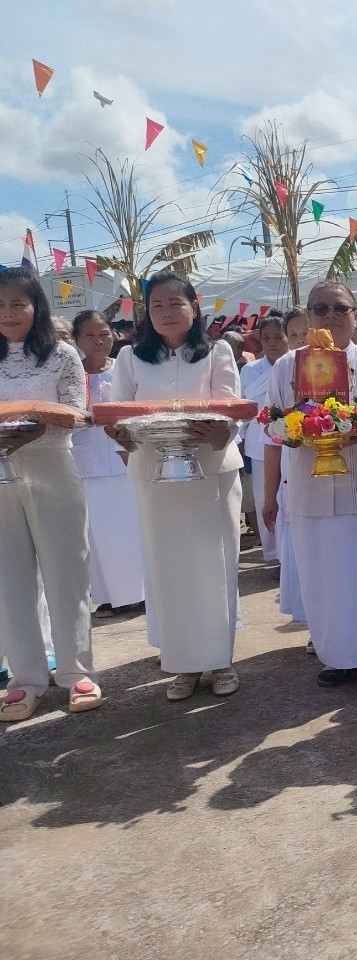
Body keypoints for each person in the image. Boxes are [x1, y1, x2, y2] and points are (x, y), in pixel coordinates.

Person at [262, 281, 357, 688]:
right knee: (323, 578)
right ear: (307, 316)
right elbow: (271, 423)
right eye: (320, 308)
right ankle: (336, 657)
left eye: (339, 309)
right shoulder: (286, 366)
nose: (330, 316)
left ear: (355, 315)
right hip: (309, 491)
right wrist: (296, 429)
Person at [106, 271, 243, 701]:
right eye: (157, 305)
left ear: (194, 306)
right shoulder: (130, 357)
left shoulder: (218, 351)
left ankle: (220, 659)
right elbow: (116, 415)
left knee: (215, 564)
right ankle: (182, 664)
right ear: (146, 311)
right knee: (168, 569)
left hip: (212, 472)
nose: (167, 312)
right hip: (155, 475)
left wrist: (218, 432)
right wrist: (126, 435)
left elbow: (231, 409)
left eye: (175, 303)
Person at [0, 269, 101, 721]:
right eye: (0, 306)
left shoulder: (61, 355)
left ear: (37, 306)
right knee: (10, 580)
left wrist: (36, 417)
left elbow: (78, 413)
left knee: (67, 573)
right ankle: (26, 678)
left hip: (52, 466)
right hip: (1, 475)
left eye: (17, 304)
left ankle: (78, 672)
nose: (8, 314)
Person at [71, 309, 145, 617]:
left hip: (125, 458)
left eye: (103, 333)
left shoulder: (124, 368)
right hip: (87, 462)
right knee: (97, 534)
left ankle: (137, 592)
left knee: (129, 528)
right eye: (89, 335)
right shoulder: (72, 374)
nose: (98, 340)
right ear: (77, 341)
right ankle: (109, 595)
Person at [238, 314, 289, 564]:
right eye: (267, 338)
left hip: (292, 443)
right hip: (259, 446)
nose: (273, 343)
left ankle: (291, 555)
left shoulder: (295, 365)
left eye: (279, 337)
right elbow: (242, 410)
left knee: (288, 500)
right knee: (265, 501)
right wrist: (236, 440)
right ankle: (274, 555)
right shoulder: (249, 371)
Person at [276, 307, 308, 628]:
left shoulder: (338, 361)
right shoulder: (284, 367)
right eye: (294, 335)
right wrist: (269, 493)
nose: (301, 340)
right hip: (294, 465)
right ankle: (311, 623)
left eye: (306, 332)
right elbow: (273, 431)